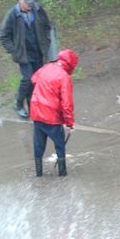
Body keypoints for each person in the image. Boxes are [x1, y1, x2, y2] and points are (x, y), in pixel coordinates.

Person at [0, 0, 53, 119]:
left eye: (31, 2)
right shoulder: (12, 15)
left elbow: (47, 26)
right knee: (28, 79)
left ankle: (33, 106)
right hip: (23, 54)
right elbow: (4, 37)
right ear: (20, 1)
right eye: (27, 3)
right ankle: (18, 104)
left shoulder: (38, 9)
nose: (30, 5)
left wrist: (47, 42)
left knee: (36, 81)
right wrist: (15, 50)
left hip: (38, 51)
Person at [29, 49, 78, 177]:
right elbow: (67, 104)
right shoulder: (64, 77)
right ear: (71, 64)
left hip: (36, 112)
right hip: (52, 117)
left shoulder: (46, 67)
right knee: (60, 146)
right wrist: (69, 123)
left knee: (38, 145)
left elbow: (33, 79)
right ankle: (62, 175)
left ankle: (38, 174)